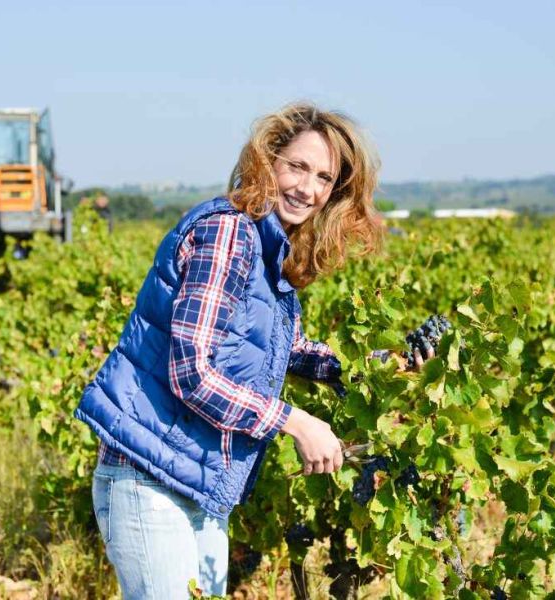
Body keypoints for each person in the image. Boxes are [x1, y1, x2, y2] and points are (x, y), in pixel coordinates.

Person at [74, 102, 433, 599]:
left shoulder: (268, 248)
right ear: (268, 160)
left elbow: (288, 351)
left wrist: (383, 368)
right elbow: (192, 373)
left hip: (194, 480)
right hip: (148, 480)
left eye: (324, 178)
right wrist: (296, 421)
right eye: (298, 166)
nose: (307, 188)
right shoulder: (229, 233)